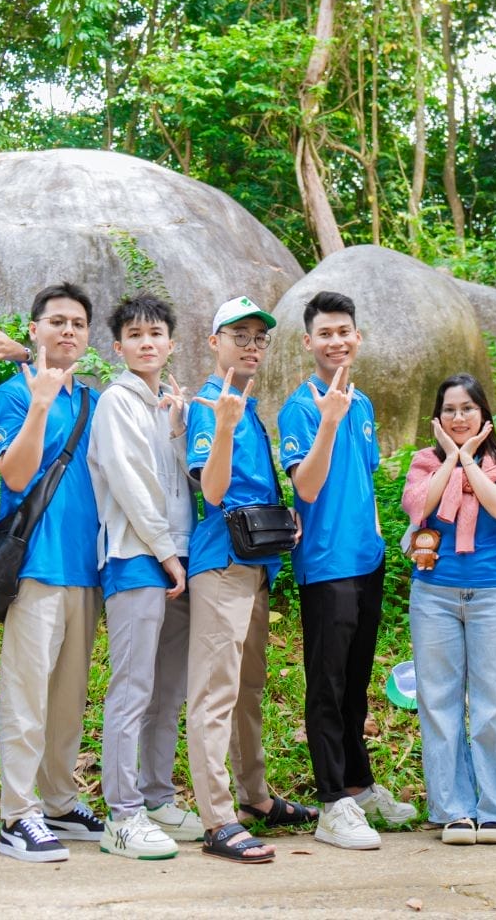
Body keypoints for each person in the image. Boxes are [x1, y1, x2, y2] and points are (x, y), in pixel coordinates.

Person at [277, 290, 417, 850]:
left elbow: (363, 477)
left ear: (357, 338)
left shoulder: (363, 404)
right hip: (326, 564)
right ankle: (332, 802)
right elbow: (307, 487)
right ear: (308, 341)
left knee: (356, 683)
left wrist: (379, 538)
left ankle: (358, 786)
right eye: (325, 333)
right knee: (328, 685)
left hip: (366, 560)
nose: (336, 341)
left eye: (344, 332)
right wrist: (328, 421)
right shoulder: (301, 407)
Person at [0, 285, 114, 863]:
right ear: (33, 329)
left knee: (67, 697)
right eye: (56, 321)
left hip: (87, 568)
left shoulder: (93, 400)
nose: (68, 331)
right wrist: (38, 401)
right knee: (26, 693)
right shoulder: (12, 394)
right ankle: (18, 813)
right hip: (36, 566)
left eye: (77, 323)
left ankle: (59, 800)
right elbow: (14, 476)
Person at [180, 296, 309, 864]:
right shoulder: (211, 407)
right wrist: (225, 427)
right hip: (221, 564)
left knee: (248, 687)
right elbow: (211, 492)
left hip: (257, 565)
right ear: (214, 343)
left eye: (259, 338)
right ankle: (217, 819)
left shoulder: (247, 406)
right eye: (240, 336)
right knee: (215, 693)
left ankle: (255, 797)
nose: (252, 346)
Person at [402, 375, 496, 846]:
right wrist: (449, 458)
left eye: (467, 408)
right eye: (450, 410)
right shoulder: (424, 462)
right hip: (433, 595)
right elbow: (420, 506)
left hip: (491, 595)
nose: (459, 417)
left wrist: (466, 459)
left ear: (483, 414)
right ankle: (453, 811)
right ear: (438, 417)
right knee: (438, 703)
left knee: (493, 702)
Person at [87, 294, 194, 862]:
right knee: (131, 689)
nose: (146, 343)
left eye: (156, 334)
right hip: (136, 558)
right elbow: (130, 484)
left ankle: (156, 796)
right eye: (135, 335)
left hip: (178, 559)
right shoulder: (116, 402)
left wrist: (178, 430)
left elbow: (183, 486)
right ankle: (123, 814)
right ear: (118, 347)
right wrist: (166, 553)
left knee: (167, 689)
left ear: (171, 344)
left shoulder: (164, 408)